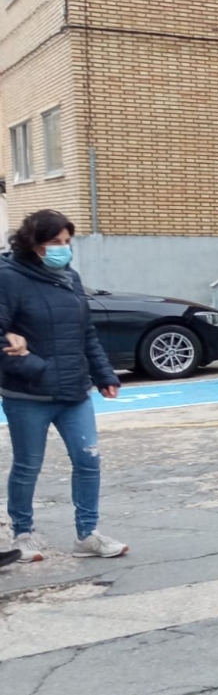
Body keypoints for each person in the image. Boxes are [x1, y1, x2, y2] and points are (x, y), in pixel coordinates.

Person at [0, 211, 126, 561]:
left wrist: (104, 375)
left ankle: (87, 536)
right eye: (55, 243)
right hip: (28, 394)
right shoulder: (8, 278)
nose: (63, 249)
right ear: (33, 243)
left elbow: (85, 332)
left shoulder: (69, 277)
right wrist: (37, 366)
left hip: (75, 391)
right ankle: (22, 534)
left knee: (88, 461)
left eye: (67, 242)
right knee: (28, 465)